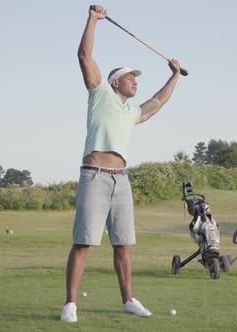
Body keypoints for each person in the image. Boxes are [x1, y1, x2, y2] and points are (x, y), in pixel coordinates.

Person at [61, 4, 182, 323]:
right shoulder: (100, 94)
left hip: (121, 180)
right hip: (94, 177)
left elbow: (157, 103)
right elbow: (85, 57)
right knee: (84, 242)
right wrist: (93, 20)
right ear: (115, 82)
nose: (135, 82)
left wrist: (174, 76)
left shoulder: (131, 113)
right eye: (131, 78)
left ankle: (127, 299)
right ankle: (70, 305)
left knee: (123, 244)